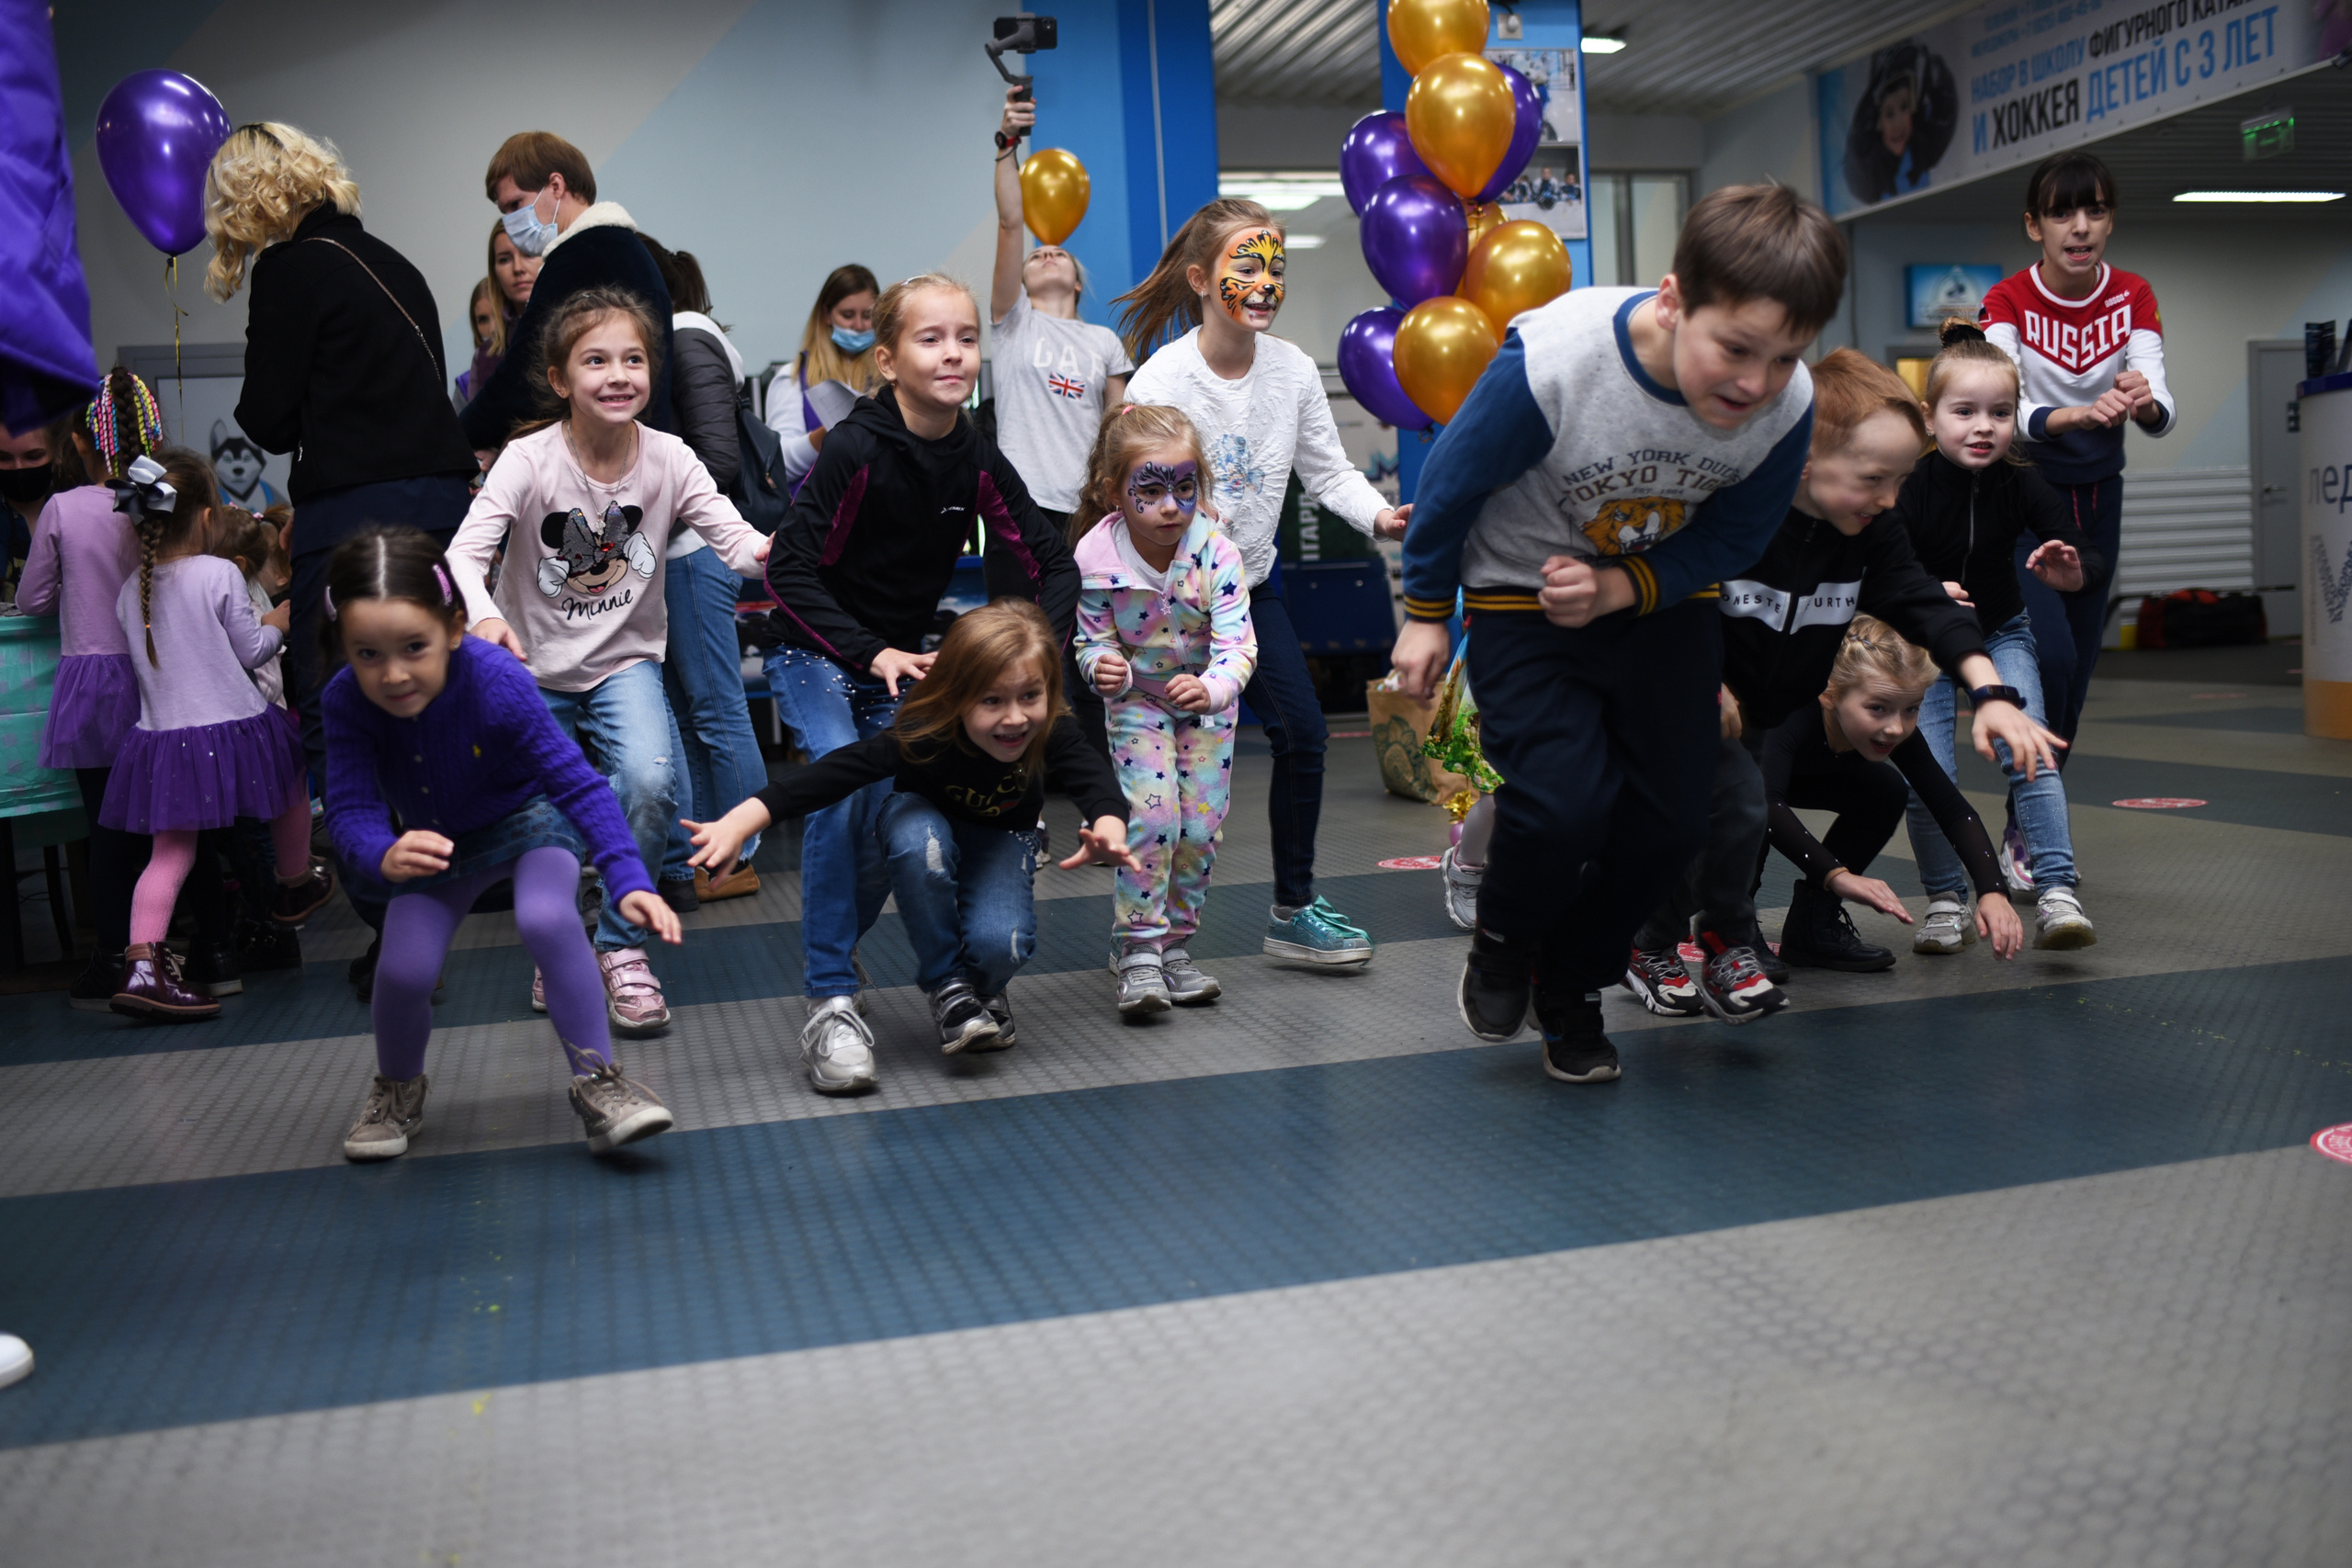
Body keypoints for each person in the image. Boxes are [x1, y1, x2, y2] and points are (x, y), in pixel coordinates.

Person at [1391, 185, 1839, 1083]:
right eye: (1736, 348)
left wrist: (1620, 586)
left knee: (1674, 823)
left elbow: (1734, 537)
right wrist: (1426, 614)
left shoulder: (1785, 412)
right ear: (1674, 300)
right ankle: (1505, 939)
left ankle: (1572, 984)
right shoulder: (1556, 359)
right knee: (1563, 802)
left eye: (1785, 358)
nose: (1754, 383)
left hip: (1659, 605)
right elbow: (1450, 486)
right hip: (1523, 598)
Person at [1624, 349, 2060, 1021]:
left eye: (1900, 480)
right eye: (1874, 479)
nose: (1891, 500)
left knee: (1742, 811)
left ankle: (1726, 942)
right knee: (1714, 815)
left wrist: (1989, 691)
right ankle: (1648, 942)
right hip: (1698, 704)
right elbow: (1669, 593)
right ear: (1804, 458)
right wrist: (1702, 680)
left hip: (1777, 707)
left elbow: (1924, 602)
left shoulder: (1873, 530)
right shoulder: (1736, 516)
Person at [763, 273, 1079, 1094]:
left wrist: (1033, 648)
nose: (954, 354)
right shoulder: (858, 447)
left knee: (889, 807)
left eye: (966, 338)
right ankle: (831, 998)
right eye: (931, 339)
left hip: (900, 658)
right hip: (815, 652)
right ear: (890, 361)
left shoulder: (972, 450)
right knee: (841, 788)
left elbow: (1052, 557)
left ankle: (950, 973)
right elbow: (790, 573)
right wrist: (870, 652)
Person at [447, 287, 769, 1034]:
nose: (618, 374)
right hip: (532, 668)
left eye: (633, 359)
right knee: (547, 817)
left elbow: (737, 544)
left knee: (653, 782)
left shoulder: (669, 457)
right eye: (596, 360)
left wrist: (780, 553)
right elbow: (462, 557)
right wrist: (488, 616)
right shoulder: (528, 460)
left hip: (624, 662)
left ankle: (621, 948)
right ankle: (559, 946)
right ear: (561, 379)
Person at [205, 120, 478, 983]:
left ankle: (392, 914)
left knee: (332, 702)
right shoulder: (395, 262)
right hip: (439, 503)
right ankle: (454, 869)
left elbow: (268, 416)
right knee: (432, 693)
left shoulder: (290, 269)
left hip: (352, 512)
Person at [322, 526, 680, 1161]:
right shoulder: (346, 701)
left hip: (526, 815)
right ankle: (398, 1087)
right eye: (368, 653)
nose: (394, 673)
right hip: (433, 838)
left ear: (455, 628)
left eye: (413, 646)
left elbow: (577, 784)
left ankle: (601, 1082)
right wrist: (380, 850)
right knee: (401, 969)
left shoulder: (496, 680)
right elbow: (350, 806)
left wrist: (628, 876)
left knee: (547, 916)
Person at [1120, 197, 1408, 969]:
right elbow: (1124, 491)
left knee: (1304, 733)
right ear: (1201, 280)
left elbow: (1328, 470)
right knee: (1168, 786)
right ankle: (1143, 935)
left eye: (1276, 266)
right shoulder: (1162, 378)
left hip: (1248, 592)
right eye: (1246, 266)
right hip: (1164, 605)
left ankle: (1294, 905)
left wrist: (1380, 517)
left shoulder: (1291, 371)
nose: (1265, 282)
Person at [690, 600, 1132, 1056]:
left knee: (1006, 945)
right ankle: (948, 986)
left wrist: (1109, 827)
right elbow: (838, 772)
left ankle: (981, 989)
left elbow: (1093, 778)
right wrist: (743, 819)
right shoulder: (928, 730)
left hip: (1001, 837)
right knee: (922, 845)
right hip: (919, 820)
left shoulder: (1049, 729)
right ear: (958, 697)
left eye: (1029, 697)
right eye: (992, 700)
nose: (1015, 717)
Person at [99, 450, 334, 1021]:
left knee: (170, 853)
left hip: (162, 740)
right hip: (235, 726)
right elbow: (251, 650)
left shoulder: (133, 588)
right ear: (207, 518)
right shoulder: (221, 573)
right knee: (290, 786)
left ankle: (143, 965)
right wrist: (278, 620)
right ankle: (294, 882)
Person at [1890, 320, 2101, 952]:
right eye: (1964, 411)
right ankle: (1946, 899)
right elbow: (1884, 561)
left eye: (2000, 412)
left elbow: (2082, 549)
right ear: (1930, 418)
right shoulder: (1912, 486)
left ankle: (2058, 890)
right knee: (1923, 772)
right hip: (1921, 640)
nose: (1983, 425)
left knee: (2031, 752)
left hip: (2001, 630)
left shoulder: (2021, 480)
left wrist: (2075, 571)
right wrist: (1926, 591)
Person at [1978, 151, 2172, 746]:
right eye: (2062, 213)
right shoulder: (2006, 299)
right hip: (2025, 498)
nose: (2080, 226)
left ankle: (2031, 815)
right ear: (2035, 225)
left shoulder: (2134, 293)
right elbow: (2002, 406)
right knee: (2052, 656)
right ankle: (2033, 807)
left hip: (2099, 500)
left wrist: (2141, 402)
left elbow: (2159, 405)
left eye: (2095, 210)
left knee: (2080, 668)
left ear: (2110, 221)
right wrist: (2079, 415)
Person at [1072, 404, 1257, 1012]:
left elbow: (1239, 645)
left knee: (1200, 828)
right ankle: (1140, 951)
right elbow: (1090, 639)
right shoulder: (1096, 564)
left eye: (1184, 488)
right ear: (1114, 493)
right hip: (1136, 705)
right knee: (1154, 821)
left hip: (1206, 707)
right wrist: (1100, 665)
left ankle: (1176, 946)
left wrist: (1213, 687)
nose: (1171, 506)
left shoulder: (1217, 556)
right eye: (1150, 491)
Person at [1757, 618, 2023, 963]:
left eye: (1912, 709)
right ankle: (1732, 930)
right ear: (1829, 694)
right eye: (1878, 708)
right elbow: (1765, 803)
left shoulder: (1893, 725)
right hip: (1718, 784)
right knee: (1747, 809)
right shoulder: (1789, 711)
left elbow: (1952, 808)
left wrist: (1993, 890)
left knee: (1885, 790)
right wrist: (1837, 875)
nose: (1896, 727)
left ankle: (1812, 926)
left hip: (1792, 778)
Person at [638, 236, 769, 907]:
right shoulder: (681, 340)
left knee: (715, 710)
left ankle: (739, 852)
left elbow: (715, 460)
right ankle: (708, 852)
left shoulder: (685, 335)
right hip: (677, 554)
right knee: (691, 714)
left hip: (693, 552)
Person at [18, 369, 154, 1005]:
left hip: (90, 683)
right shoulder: (155, 494)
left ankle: (109, 955)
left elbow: (33, 598)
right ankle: (183, 944)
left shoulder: (61, 508)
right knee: (167, 823)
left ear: (78, 440)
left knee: (103, 828)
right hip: (153, 675)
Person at [460, 131, 675, 452]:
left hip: (602, 459)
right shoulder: (625, 248)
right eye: (504, 211)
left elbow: (523, 377)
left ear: (557, 186)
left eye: (516, 204)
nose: (509, 221)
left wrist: (455, 439)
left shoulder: (580, 256)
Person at [764, 264, 881, 486]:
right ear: (827, 314)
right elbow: (779, 465)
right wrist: (829, 433)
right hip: (819, 511)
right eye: (847, 315)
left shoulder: (889, 375)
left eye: (868, 316)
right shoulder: (794, 377)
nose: (858, 326)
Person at [457, 220, 540, 406]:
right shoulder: (485, 358)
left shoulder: (571, 333)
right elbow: (477, 432)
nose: (517, 268)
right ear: (494, 272)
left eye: (528, 254)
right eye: (505, 259)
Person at [0, 415, 60, 594]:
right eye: (4, 458)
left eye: (33, 457)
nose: (18, 467)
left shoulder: (78, 514)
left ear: (58, 453)